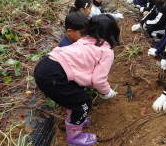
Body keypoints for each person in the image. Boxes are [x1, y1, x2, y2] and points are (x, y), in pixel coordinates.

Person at [34, 14, 120, 146]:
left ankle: (76, 118)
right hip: (54, 75)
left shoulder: (83, 40)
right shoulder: (106, 51)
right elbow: (98, 80)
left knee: (75, 94)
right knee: (83, 103)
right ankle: (74, 138)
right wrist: (107, 92)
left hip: (45, 65)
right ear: (113, 34)